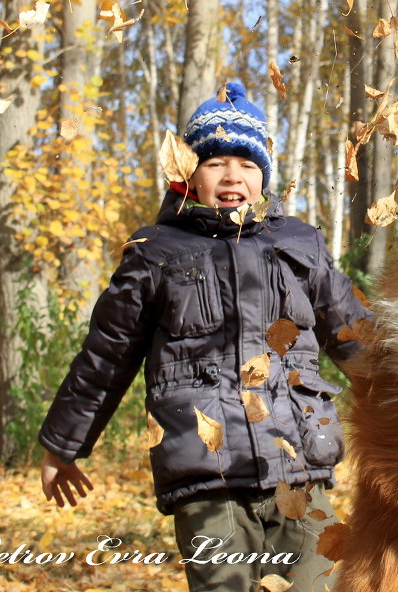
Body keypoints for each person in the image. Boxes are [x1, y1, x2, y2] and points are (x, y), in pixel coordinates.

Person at [38, 81, 371, 592]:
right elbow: (107, 355)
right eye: (215, 162)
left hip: (299, 468)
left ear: (264, 176)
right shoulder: (156, 252)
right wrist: (63, 445)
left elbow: (355, 336)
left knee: (316, 585)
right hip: (207, 476)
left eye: (247, 163)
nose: (233, 175)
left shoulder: (299, 244)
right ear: (188, 174)